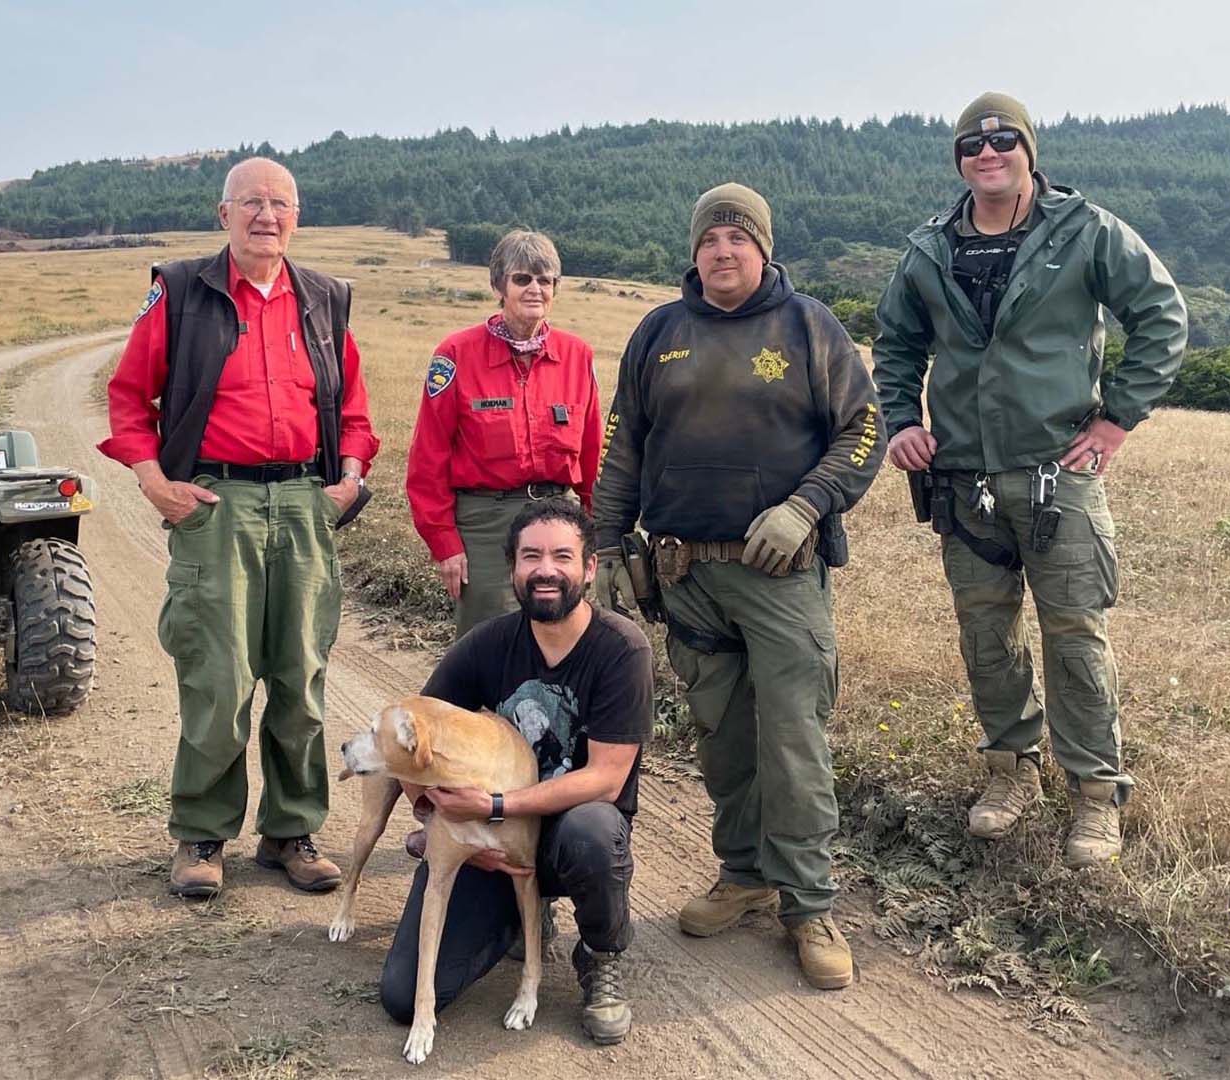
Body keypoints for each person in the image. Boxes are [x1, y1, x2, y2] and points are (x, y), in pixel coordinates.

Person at [871, 93, 1187, 868]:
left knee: (1075, 635)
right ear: (958, 160)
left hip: (1057, 473)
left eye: (1003, 140)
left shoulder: (1085, 233)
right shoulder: (929, 250)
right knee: (986, 635)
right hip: (963, 480)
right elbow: (896, 343)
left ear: (1028, 150)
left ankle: (1094, 794)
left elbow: (1162, 315)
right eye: (971, 146)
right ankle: (1012, 772)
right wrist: (901, 423)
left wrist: (1116, 420)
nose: (988, 154)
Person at [591, 182, 885, 990]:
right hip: (688, 574)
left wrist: (806, 505)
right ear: (694, 251)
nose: (724, 251)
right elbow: (623, 448)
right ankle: (745, 875)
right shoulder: (659, 333)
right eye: (711, 239)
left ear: (764, 247)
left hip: (780, 575)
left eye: (739, 238)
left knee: (793, 739)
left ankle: (809, 904)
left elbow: (865, 429)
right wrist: (607, 544)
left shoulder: (808, 325)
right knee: (722, 736)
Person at [99, 157, 381, 899]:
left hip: (302, 505)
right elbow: (129, 399)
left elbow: (354, 411)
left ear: (298, 216)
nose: (266, 215)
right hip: (216, 504)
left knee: (301, 676)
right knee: (219, 677)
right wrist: (155, 482)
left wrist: (348, 481)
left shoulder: (324, 300)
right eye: (251, 202)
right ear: (222, 214)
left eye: (280, 203)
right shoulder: (183, 293)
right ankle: (201, 833)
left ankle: (290, 831)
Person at [378, 499, 652, 1047]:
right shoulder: (489, 642)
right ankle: (519, 918)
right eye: (531, 556)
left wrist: (493, 808)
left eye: (561, 556)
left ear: (589, 568)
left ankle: (599, 955)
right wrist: (437, 816)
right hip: (493, 841)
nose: (545, 570)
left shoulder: (621, 649)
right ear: (513, 569)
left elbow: (605, 779)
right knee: (403, 997)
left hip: (565, 835)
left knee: (594, 832)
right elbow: (410, 729)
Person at [405, 229, 601, 638]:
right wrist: (445, 543)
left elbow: (591, 451)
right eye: (522, 279)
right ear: (499, 285)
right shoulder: (455, 355)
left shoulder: (577, 356)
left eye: (545, 280)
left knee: (560, 635)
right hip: (485, 524)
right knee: (488, 640)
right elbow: (429, 456)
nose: (535, 289)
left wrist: (595, 531)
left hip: (557, 516)